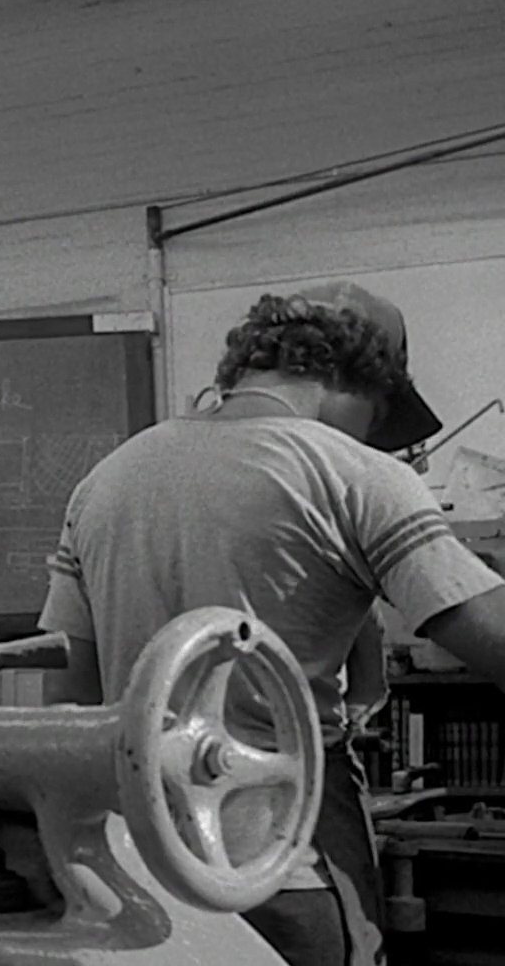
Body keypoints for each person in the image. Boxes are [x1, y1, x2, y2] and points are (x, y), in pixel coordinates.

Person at [36, 283, 505, 966]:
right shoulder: (354, 473)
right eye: (377, 420)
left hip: (138, 875)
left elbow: (67, 700)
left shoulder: (103, 483)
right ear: (362, 379)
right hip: (285, 871)